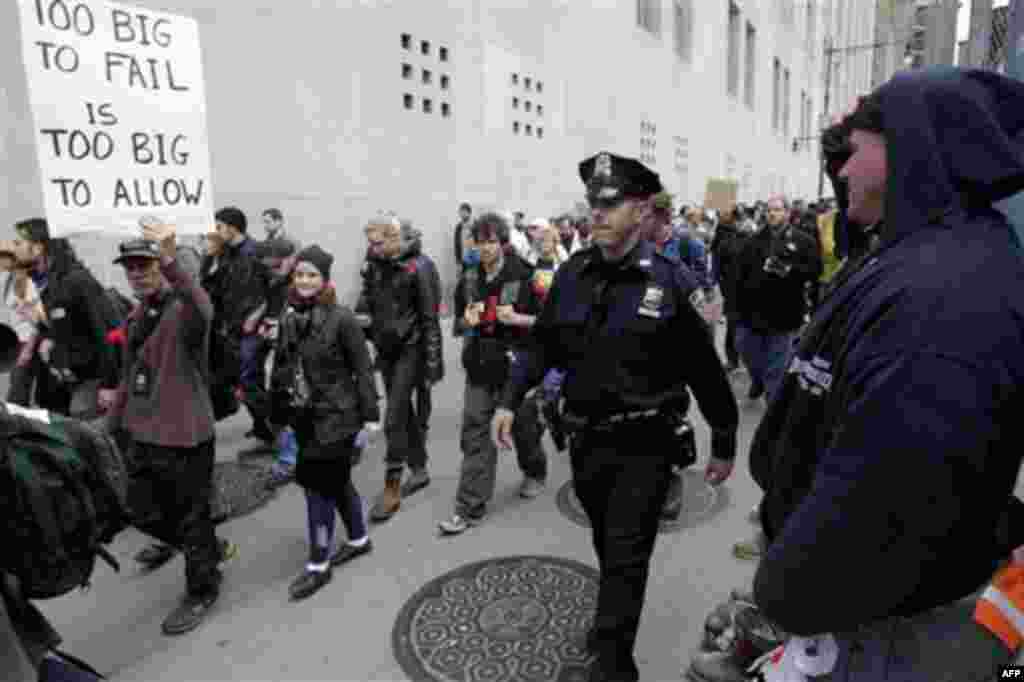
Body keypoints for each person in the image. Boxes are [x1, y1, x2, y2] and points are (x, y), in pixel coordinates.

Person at [746, 68, 1024, 681]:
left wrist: (781, 591)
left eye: (858, 150)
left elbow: (880, 497)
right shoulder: (919, 255)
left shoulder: (944, 299)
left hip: (874, 633)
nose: (842, 170)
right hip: (858, 615)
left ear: (912, 147)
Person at [492, 152, 739, 682]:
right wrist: (510, 399)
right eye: (592, 203)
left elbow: (704, 368)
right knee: (609, 545)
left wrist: (723, 437)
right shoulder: (574, 273)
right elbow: (542, 346)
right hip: (584, 443)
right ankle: (613, 628)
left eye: (611, 203)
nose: (597, 213)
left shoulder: (669, 282)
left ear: (641, 209)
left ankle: (612, 663)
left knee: (627, 556)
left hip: (645, 448)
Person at [107, 222, 235, 636]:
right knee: (137, 508)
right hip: (143, 433)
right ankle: (208, 550)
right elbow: (129, 376)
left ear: (161, 267)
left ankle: (202, 587)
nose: (137, 274)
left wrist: (169, 256)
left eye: (144, 266)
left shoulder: (184, 309)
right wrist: (110, 428)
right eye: (130, 268)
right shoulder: (137, 314)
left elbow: (203, 306)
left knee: (192, 515)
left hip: (186, 434)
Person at [269, 245, 380, 601]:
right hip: (306, 417)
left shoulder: (342, 318)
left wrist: (370, 418)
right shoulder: (289, 316)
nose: (304, 280)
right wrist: (280, 412)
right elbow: (285, 368)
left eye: (311, 275)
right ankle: (359, 538)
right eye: (299, 274)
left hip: (338, 418)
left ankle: (319, 563)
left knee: (318, 488)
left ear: (324, 279)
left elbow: (363, 368)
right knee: (337, 480)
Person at [438, 212, 548, 535]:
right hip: (480, 366)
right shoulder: (469, 279)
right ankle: (469, 507)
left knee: (524, 428)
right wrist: (465, 323)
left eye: (491, 241)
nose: (485, 247)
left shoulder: (526, 275)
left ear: (502, 242)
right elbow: (458, 324)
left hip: (517, 367)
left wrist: (519, 319)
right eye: (480, 241)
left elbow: (548, 324)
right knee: (476, 432)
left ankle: (535, 470)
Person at [357, 213, 444, 521]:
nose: (373, 248)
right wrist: (363, 321)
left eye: (378, 242)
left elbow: (430, 319)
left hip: (412, 349)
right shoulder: (374, 265)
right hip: (387, 348)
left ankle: (392, 485)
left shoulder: (420, 267)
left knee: (393, 418)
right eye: (370, 243)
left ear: (395, 239)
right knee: (403, 414)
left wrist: (433, 364)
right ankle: (419, 470)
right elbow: (365, 300)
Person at [10, 220, 120, 419]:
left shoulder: (77, 280)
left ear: (38, 247)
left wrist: (110, 384)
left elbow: (109, 332)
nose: (13, 248)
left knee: (85, 435)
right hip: (64, 382)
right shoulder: (47, 282)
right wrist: (40, 325)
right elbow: (61, 328)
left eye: (19, 243)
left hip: (91, 382)